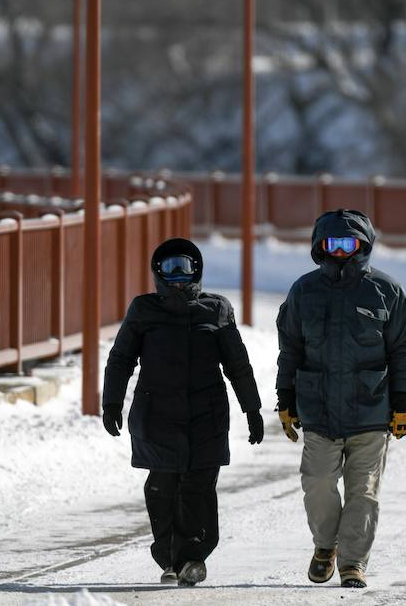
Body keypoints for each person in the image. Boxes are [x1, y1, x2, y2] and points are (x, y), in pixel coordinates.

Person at [102, 237, 264, 588]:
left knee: (198, 487)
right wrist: (111, 402)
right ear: (158, 273)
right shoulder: (143, 310)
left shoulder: (216, 309)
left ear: (197, 271)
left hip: (206, 416)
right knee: (162, 487)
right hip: (156, 415)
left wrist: (252, 408)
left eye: (185, 268)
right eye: (170, 269)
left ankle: (192, 557)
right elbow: (121, 359)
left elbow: (238, 364)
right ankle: (170, 558)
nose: (178, 277)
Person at [276, 208, 406, 589]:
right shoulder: (303, 292)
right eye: (332, 243)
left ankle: (353, 562)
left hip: (371, 409)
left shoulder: (387, 292)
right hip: (319, 410)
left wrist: (403, 403)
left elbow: (404, 349)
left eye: (349, 243)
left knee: (364, 492)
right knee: (318, 483)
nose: (340, 251)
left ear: (364, 245)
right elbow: (290, 349)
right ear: (319, 246)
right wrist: (285, 397)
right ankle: (326, 545)